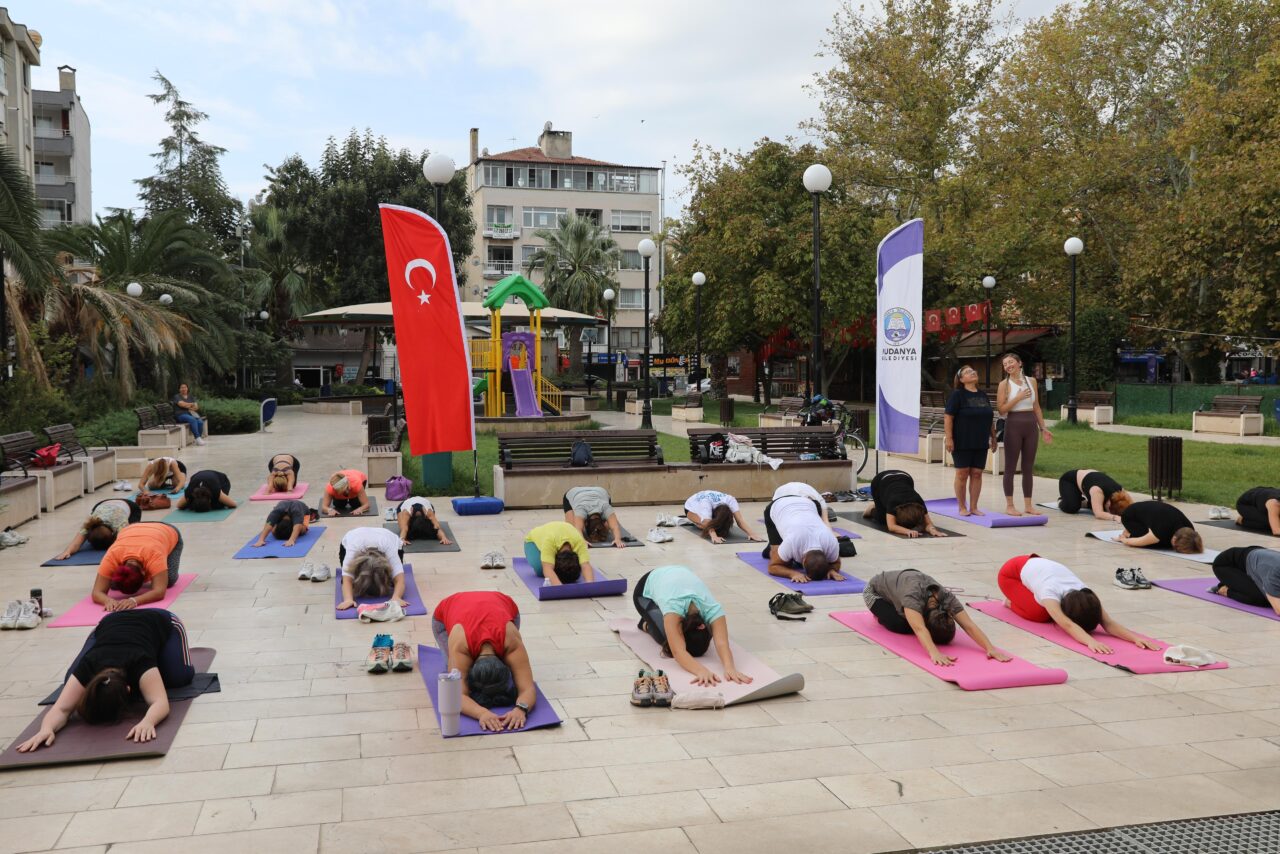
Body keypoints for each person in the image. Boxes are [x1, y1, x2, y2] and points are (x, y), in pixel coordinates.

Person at [15, 609, 195, 753]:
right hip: (110, 623)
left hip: (160, 620)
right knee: (69, 679)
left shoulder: (140, 661)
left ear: (129, 689)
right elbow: (61, 709)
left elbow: (160, 703)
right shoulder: (88, 666)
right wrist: (46, 729)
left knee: (179, 678)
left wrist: (148, 721)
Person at [997, 554, 1159, 654]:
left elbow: (1107, 622)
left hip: (1036, 564)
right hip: (1011, 574)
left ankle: (1026, 595)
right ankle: (1011, 602)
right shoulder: (1049, 593)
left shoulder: (1086, 593)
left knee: (1048, 611)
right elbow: (1067, 624)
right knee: (1040, 614)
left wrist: (1135, 639)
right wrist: (1091, 641)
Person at [633, 565, 752, 687]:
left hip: (673, 574)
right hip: (643, 592)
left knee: (671, 635)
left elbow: (722, 643)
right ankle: (645, 624)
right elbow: (678, 652)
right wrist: (701, 671)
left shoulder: (712, 608)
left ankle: (655, 620)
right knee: (666, 639)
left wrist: (730, 668)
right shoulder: (673, 608)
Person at [864, 568, 1012, 666]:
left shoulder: (946, 598)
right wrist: (934, 653)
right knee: (902, 625)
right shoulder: (913, 597)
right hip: (875, 592)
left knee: (912, 618)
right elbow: (919, 628)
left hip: (904, 585)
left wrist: (990, 648)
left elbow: (968, 625)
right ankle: (881, 614)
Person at [432, 591, 535, 731]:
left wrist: (521, 709)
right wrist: (481, 713)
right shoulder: (461, 647)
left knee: (515, 672)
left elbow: (527, 688)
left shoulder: (511, 642)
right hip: (445, 614)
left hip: (504, 604)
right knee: (452, 676)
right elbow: (455, 695)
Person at [995, 353, 1052, 516]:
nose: (1008, 366)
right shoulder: (1004, 385)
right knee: (1010, 467)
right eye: (1005, 364)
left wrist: (1043, 428)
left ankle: (1028, 505)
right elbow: (1001, 410)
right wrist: (1018, 397)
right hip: (1013, 425)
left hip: (1031, 426)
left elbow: (1036, 407)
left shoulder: (1031, 381)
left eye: (1010, 362)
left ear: (1019, 363)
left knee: (1028, 467)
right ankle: (1010, 505)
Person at [91, 522, 183, 612]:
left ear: (144, 572)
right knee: (114, 585)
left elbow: (159, 592)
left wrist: (135, 600)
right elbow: (96, 592)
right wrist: (108, 601)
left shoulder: (154, 555)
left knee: (169, 581)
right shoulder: (111, 556)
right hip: (132, 528)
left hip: (166, 530)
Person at [764, 482, 843, 582]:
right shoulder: (792, 542)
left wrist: (832, 570)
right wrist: (792, 573)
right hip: (778, 506)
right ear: (803, 561)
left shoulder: (831, 542)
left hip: (808, 503)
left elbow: (836, 562)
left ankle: (783, 549)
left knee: (789, 557)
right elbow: (772, 566)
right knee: (783, 561)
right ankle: (773, 546)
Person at [945, 365, 997, 516]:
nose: (972, 372)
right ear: (961, 379)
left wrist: (993, 437)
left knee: (977, 473)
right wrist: (949, 438)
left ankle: (973, 507)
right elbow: (948, 417)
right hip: (962, 440)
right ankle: (962, 507)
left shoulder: (983, 395)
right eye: (967, 372)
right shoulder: (957, 395)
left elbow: (989, 417)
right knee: (962, 473)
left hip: (980, 441)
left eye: (973, 370)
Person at [336, 526, 407, 609]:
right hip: (353, 537)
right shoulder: (353, 549)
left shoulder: (390, 549)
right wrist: (348, 600)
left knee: (392, 582)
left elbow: (400, 580)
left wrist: (396, 597)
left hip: (388, 537)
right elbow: (347, 580)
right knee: (351, 581)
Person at [863, 470, 947, 538]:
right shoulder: (893, 502)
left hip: (905, 477)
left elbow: (928, 523)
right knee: (882, 519)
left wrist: (933, 530)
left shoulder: (918, 501)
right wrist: (907, 531)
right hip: (880, 480)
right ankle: (871, 508)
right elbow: (891, 526)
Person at [56, 498, 141, 559]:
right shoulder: (90, 524)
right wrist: (67, 551)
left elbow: (126, 542)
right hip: (102, 504)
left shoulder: (120, 523)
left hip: (131, 506)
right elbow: (75, 544)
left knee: (133, 529)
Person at [1211, 547, 1280, 615]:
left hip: (1256, 558)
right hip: (1227, 564)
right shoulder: (1274, 573)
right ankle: (1225, 589)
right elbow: (1278, 609)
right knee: (1261, 598)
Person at [523, 521, 595, 585]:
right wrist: (560, 588)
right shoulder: (549, 541)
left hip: (562, 533)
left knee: (569, 570)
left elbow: (585, 565)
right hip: (532, 542)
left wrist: (590, 585)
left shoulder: (579, 542)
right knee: (541, 571)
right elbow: (547, 569)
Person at [1119, 500, 1203, 553]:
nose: (1175, 549)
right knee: (1154, 544)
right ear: (1174, 539)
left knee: (1164, 543)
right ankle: (1129, 532)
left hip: (1155, 514)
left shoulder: (1189, 528)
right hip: (1131, 516)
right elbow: (1138, 542)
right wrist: (1124, 540)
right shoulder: (1162, 531)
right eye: (1176, 547)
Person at [684, 489, 763, 544]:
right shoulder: (705, 504)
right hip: (690, 507)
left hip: (710, 502)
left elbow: (740, 520)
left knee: (719, 528)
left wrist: (751, 534)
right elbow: (706, 522)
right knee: (703, 525)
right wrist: (714, 536)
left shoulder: (730, 500)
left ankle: (717, 524)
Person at [562, 486, 626, 548]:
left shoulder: (605, 506)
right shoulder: (581, 509)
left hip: (600, 492)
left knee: (611, 522)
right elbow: (578, 528)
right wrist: (582, 540)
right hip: (574, 493)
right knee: (571, 529)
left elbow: (615, 526)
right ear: (585, 524)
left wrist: (617, 539)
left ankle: (603, 528)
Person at [1058, 469, 1132, 521]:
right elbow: (1098, 514)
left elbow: (1130, 506)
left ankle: (1081, 501)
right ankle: (1062, 500)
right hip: (1070, 480)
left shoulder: (1121, 491)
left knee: (1099, 506)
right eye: (1109, 511)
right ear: (1109, 504)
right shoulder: (1098, 491)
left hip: (1092, 478)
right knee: (1072, 507)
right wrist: (1114, 517)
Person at [252, 499, 316, 548]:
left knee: (302, 530)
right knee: (273, 530)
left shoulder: (297, 512)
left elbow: (298, 526)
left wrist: (292, 540)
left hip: (304, 512)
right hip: (283, 507)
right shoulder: (276, 512)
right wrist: (261, 540)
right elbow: (269, 523)